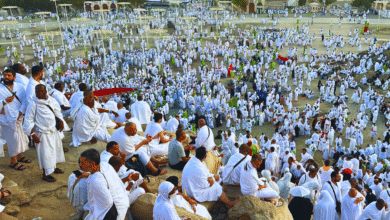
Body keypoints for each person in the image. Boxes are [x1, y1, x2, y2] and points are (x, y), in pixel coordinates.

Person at [23, 84, 66, 182]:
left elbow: (57, 110)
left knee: (54, 150)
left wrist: (61, 121)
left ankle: (53, 168)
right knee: (45, 154)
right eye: (37, 91)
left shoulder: (51, 100)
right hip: (42, 133)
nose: (39, 93)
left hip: (53, 130)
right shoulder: (33, 104)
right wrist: (33, 135)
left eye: (42, 91)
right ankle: (45, 174)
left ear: (46, 91)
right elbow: (28, 121)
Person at [79, 149, 129, 220]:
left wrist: (96, 215)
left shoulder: (96, 181)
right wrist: (87, 174)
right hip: (122, 200)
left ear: (93, 164)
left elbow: (108, 202)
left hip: (114, 210)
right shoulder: (105, 165)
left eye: (83, 163)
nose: (80, 165)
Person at [0, 69, 29, 171]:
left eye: (9, 75)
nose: (6, 77)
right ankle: (13, 161)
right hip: (6, 119)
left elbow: (25, 101)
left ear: (14, 77)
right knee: (12, 139)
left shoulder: (20, 87)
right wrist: (4, 101)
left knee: (20, 137)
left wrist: (20, 113)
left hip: (19, 117)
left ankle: (20, 156)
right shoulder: (0, 88)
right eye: (5, 75)